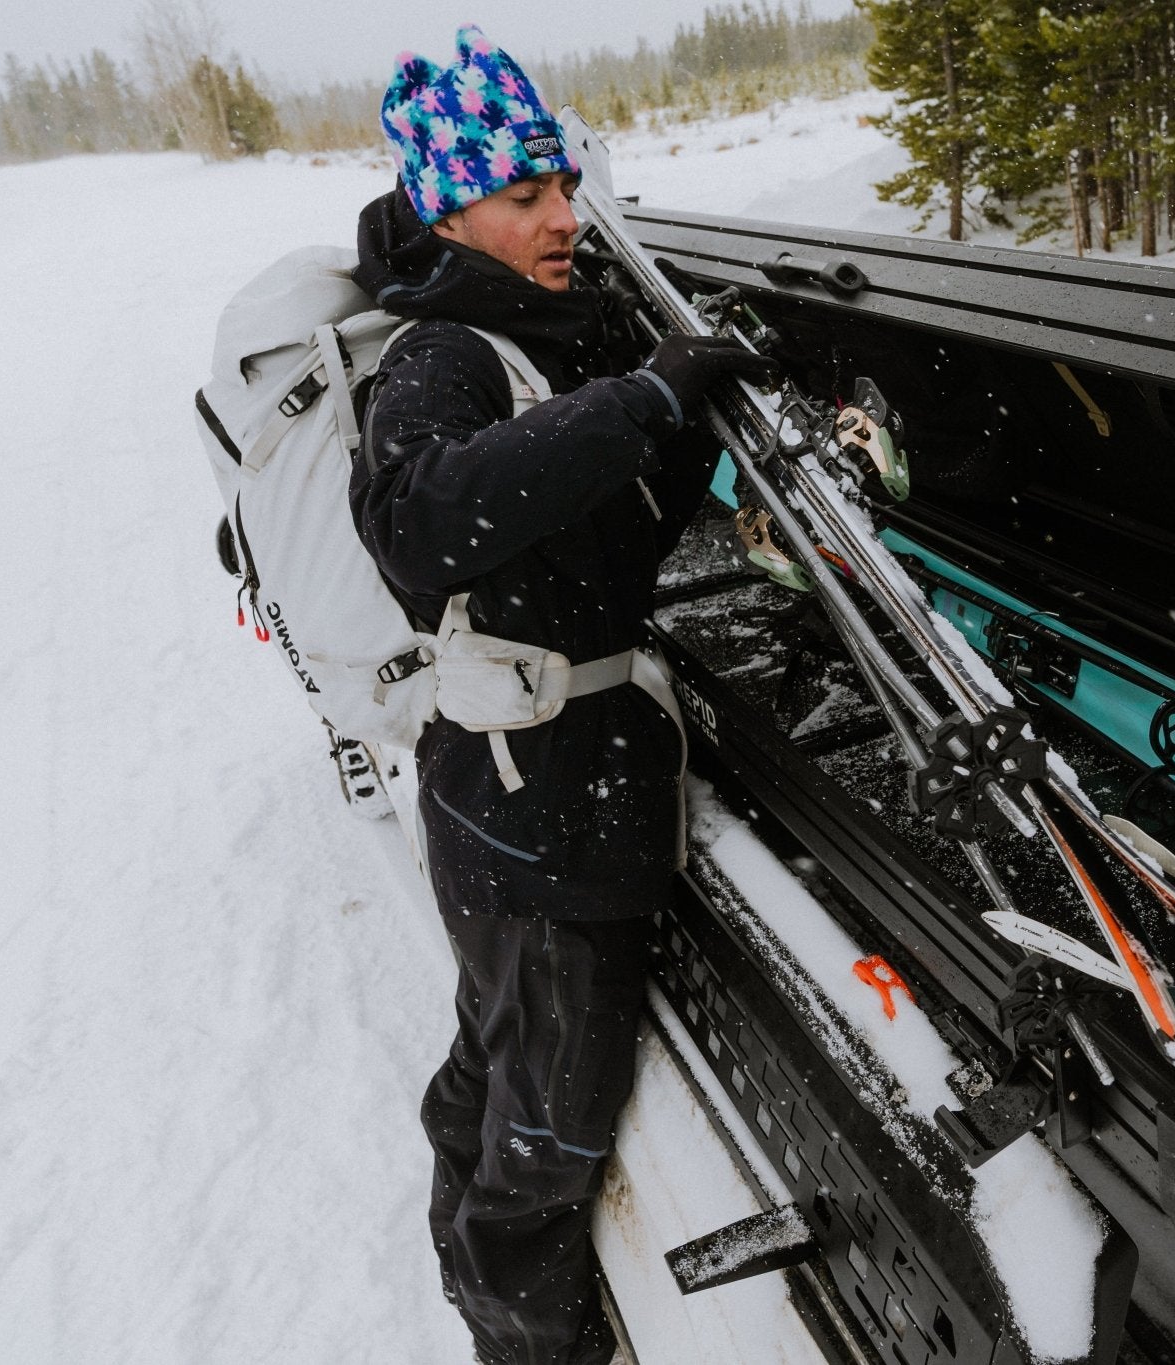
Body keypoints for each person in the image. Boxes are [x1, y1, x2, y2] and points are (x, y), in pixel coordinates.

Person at [350, 27, 776, 1365]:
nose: (561, 216)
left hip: (523, 811)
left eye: (563, 184)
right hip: (536, 829)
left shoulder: (534, 335)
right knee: (550, 1141)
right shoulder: (442, 357)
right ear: (449, 204)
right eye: (525, 195)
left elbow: (592, 552)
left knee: (496, 1060)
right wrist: (641, 399)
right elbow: (415, 519)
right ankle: (526, 1336)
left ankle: (461, 1245)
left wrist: (685, 431)